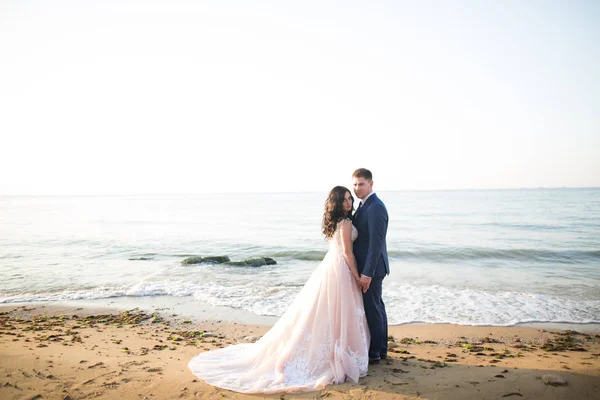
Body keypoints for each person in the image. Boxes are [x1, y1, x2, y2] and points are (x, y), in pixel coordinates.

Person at [188, 186, 369, 393]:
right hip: (341, 269)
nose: (349, 203)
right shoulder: (345, 223)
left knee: (325, 311)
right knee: (336, 310)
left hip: (330, 267)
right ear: (337, 202)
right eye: (345, 199)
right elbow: (347, 252)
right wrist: (357, 276)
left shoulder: (337, 222)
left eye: (350, 199)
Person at [351, 168, 390, 365]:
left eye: (361, 184)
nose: (357, 188)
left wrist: (367, 273)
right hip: (370, 267)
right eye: (355, 184)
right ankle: (381, 349)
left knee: (373, 308)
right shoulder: (364, 205)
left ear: (371, 184)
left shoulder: (375, 207)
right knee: (377, 307)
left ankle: (375, 352)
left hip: (372, 269)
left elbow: (376, 244)